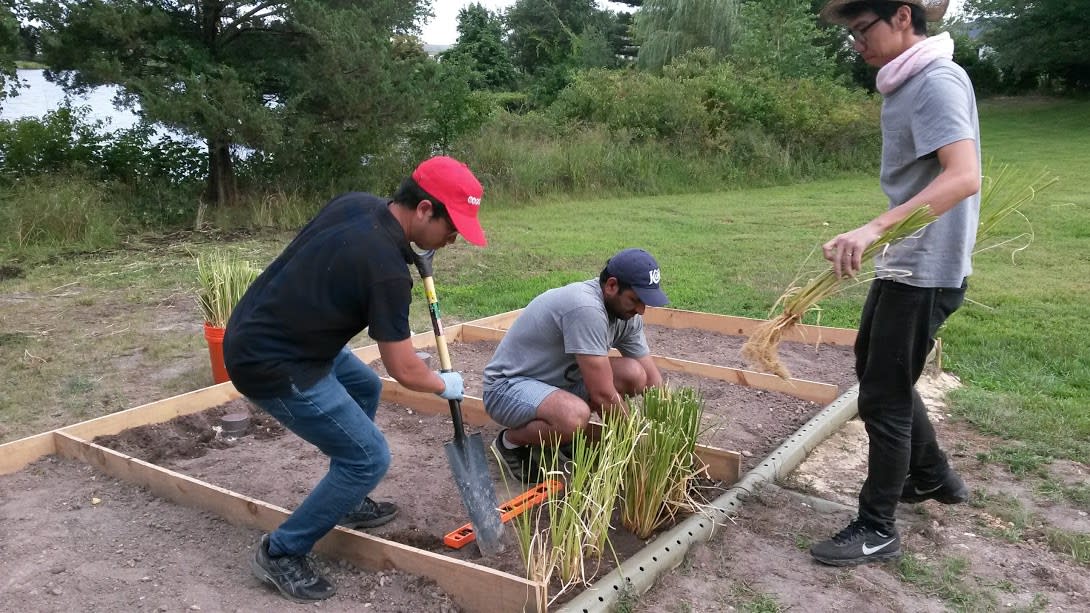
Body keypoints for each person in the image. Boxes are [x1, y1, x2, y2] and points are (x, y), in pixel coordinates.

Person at [222, 156, 487, 602]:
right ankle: (282, 552)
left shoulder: (360, 205)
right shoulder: (385, 272)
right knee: (368, 457)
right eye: (451, 226)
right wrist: (445, 384)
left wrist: (410, 251)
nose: (454, 238)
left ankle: (346, 495)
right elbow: (403, 368)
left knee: (363, 386)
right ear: (424, 209)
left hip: (269, 329)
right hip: (272, 361)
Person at [810, 0, 981, 566]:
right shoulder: (905, 83)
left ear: (902, 17)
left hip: (928, 267)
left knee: (881, 394)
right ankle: (932, 476)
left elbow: (964, 176)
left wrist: (878, 225)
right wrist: (878, 234)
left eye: (863, 30)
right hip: (907, 259)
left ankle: (877, 526)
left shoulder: (936, 80)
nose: (856, 45)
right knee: (878, 369)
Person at [483, 248, 669, 484]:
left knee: (634, 374)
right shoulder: (586, 309)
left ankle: (563, 436)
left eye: (645, 302)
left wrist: (668, 435)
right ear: (612, 286)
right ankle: (510, 442)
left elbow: (652, 382)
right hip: (507, 388)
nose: (641, 310)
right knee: (574, 417)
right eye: (635, 300)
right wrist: (635, 445)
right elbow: (603, 395)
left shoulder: (627, 316)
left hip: (554, 386)